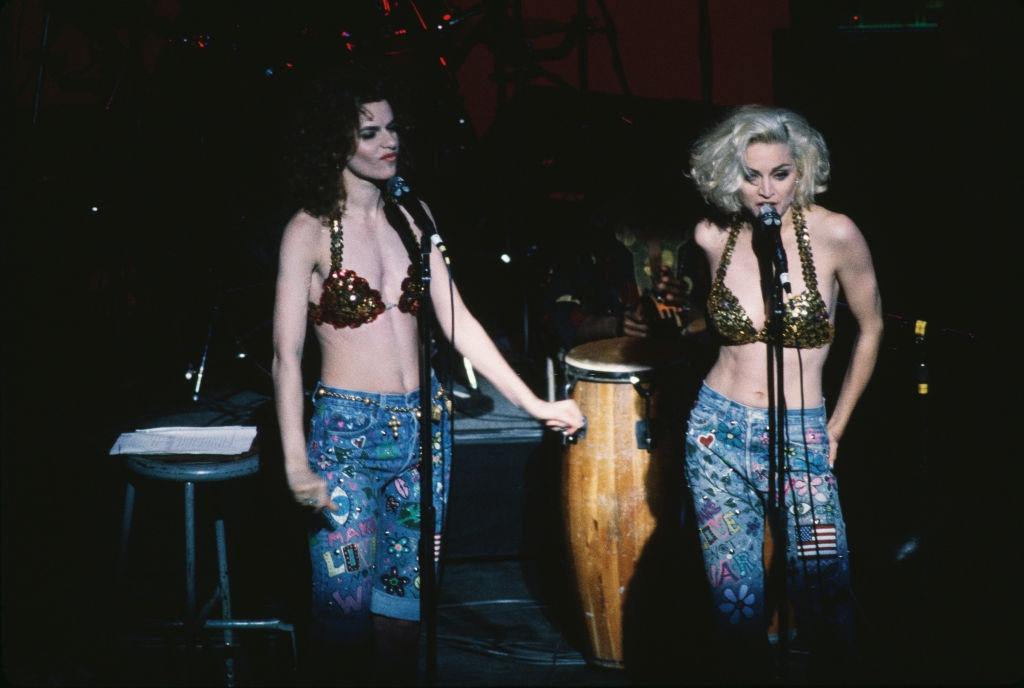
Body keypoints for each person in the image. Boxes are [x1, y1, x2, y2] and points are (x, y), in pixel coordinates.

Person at [272, 67, 584, 685]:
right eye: (369, 132)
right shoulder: (308, 229)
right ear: (335, 142)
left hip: (422, 432)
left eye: (392, 128)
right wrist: (293, 463)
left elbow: (459, 321)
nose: (388, 141)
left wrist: (535, 404)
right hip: (345, 438)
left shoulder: (414, 219)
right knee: (342, 609)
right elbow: (285, 354)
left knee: (403, 612)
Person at [683, 105, 882, 679]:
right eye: (752, 175)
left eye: (781, 173)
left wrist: (837, 425)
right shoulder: (712, 236)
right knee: (735, 603)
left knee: (824, 589)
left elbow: (871, 329)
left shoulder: (836, 232)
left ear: (803, 170)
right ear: (729, 175)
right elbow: (712, 330)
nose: (767, 190)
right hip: (717, 432)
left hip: (801, 433)